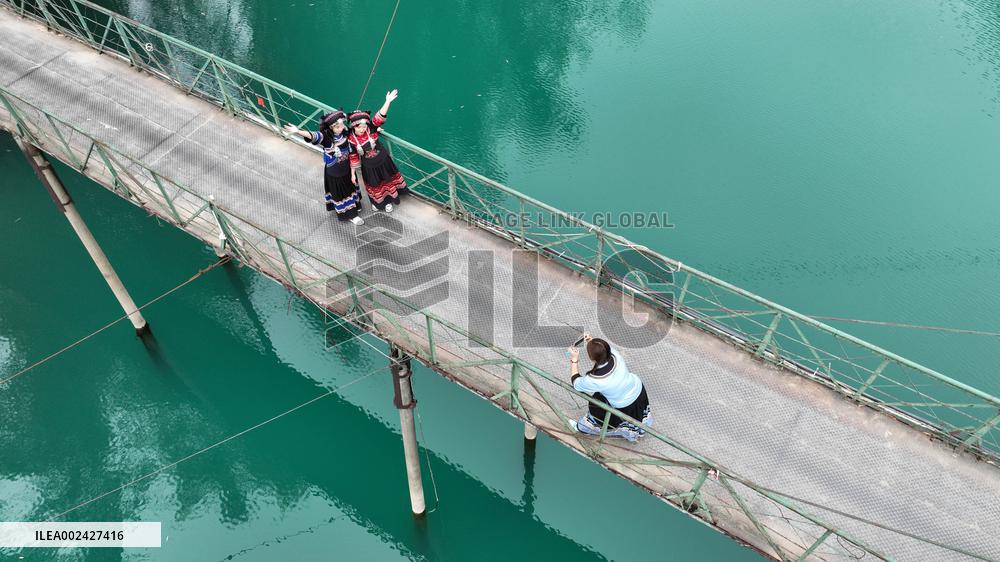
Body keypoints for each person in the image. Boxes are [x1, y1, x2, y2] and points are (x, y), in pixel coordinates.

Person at [283, 110, 364, 225]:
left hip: (347, 167)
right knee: (342, 193)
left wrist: (374, 129)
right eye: (337, 127)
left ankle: (355, 205)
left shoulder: (346, 133)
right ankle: (351, 215)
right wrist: (298, 131)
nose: (341, 128)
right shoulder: (326, 138)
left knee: (351, 187)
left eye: (341, 125)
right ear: (331, 128)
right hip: (335, 171)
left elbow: (359, 128)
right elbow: (313, 135)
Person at [567, 334, 652, 442]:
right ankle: (636, 431)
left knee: (598, 410)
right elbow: (602, 351)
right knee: (635, 416)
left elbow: (576, 383)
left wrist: (574, 360)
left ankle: (584, 428)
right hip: (637, 388)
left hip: (623, 402)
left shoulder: (595, 379)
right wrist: (592, 342)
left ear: (592, 358)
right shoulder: (614, 354)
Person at [348, 89, 407, 212]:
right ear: (354, 126)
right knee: (374, 186)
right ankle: (377, 202)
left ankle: (388, 201)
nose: (363, 129)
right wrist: (353, 174)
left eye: (365, 127)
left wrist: (388, 101)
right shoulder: (351, 139)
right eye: (360, 128)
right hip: (369, 167)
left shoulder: (372, 128)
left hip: (383, 161)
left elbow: (379, 117)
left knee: (387, 181)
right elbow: (353, 157)